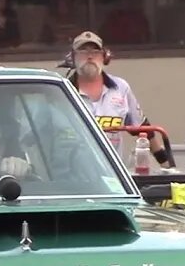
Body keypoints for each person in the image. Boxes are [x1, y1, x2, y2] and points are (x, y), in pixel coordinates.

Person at [66, 30, 169, 166]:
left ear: (105, 57)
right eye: (83, 52)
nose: (90, 56)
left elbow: (143, 129)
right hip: (70, 177)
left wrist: (166, 164)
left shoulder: (121, 88)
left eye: (95, 52)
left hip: (112, 176)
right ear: (72, 58)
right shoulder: (61, 92)